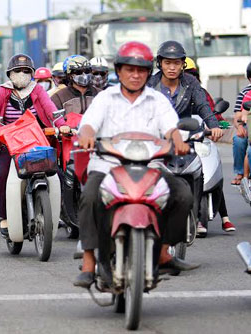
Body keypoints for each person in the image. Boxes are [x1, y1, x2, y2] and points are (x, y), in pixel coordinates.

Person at [74, 41, 199, 288]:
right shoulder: (105, 98)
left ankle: (164, 252)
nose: (135, 75)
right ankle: (89, 261)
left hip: (151, 166)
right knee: (89, 196)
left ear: (147, 72)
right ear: (118, 71)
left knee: (183, 194)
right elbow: (88, 123)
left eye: (141, 70)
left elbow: (171, 127)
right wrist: (87, 135)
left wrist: (177, 141)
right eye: (129, 69)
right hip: (107, 165)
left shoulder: (157, 100)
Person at [0, 53, 69, 235]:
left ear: (32, 73)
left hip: (36, 140)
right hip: (10, 143)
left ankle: (56, 214)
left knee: (58, 176)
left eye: (25, 71)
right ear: (10, 74)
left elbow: (51, 110)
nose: (21, 74)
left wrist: (62, 126)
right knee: (3, 174)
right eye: (17, 71)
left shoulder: (37, 90)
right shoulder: (2, 91)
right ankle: (4, 217)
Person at [148, 40, 223, 235]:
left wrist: (214, 126)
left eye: (176, 63)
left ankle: (197, 216)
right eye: (167, 63)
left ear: (183, 65)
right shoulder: (150, 84)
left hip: (185, 138)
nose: (172, 67)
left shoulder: (191, 83)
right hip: (156, 141)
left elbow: (203, 106)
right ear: (160, 64)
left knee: (197, 168)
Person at [184, 57, 236, 233]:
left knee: (215, 171)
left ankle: (225, 217)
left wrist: (217, 125)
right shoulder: (164, 91)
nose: (188, 77)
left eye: (191, 74)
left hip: (200, 137)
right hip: (177, 140)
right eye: (185, 74)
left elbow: (209, 110)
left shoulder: (200, 92)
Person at [230, 62, 251, 186]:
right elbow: (238, 115)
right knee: (239, 140)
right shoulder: (245, 93)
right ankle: (240, 172)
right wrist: (240, 127)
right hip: (248, 125)